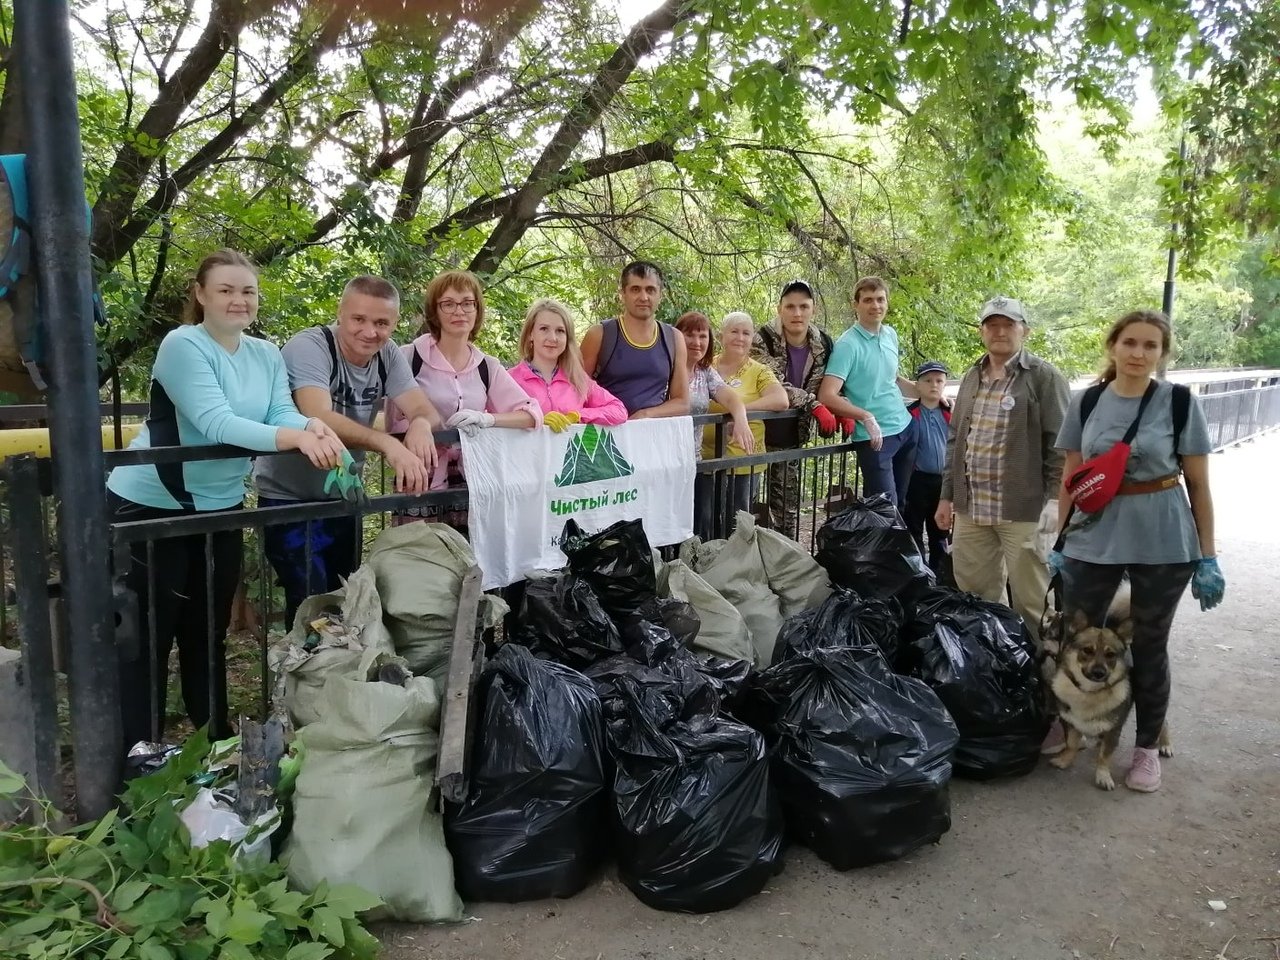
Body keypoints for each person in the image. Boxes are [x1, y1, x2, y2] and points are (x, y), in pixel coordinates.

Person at [107, 249, 345, 750]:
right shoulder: (183, 345)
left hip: (220, 507)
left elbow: (280, 408)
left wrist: (311, 424)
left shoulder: (263, 353)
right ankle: (135, 754)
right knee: (147, 641)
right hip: (152, 507)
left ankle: (210, 748)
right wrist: (298, 439)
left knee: (206, 634)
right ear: (200, 295)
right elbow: (215, 421)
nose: (239, 301)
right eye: (226, 290)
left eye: (248, 291)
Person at [1050, 309, 1222, 793]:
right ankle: (1070, 722)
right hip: (1092, 535)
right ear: (1113, 346)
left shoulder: (1181, 403)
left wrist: (1208, 555)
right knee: (1073, 634)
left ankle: (1146, 745)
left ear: (1162, 354)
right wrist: (1059, 540)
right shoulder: (1086, 403)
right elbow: (1073, 477)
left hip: (1164, 538)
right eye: (1130, 343)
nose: (1138, 353)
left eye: (1150, 345)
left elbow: (1199, 485)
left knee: (1147, 644)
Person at [254, 275, 444, 628]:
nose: (370, 332)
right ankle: (304, 678)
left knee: (344, 598)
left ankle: (337, 677)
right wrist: (388, 444)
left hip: (342, 493)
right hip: (289, 498)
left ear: (394, 323)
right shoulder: (310, 347)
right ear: (340, 314)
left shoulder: (386, 355)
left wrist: (419, 424)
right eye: (359, 319)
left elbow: (425, 409)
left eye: (381, 323)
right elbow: (317, 414)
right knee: (311, 605)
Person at [935, 296, 1069, 645]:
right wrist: (947, 497)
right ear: (982, 332)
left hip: (1023, 511)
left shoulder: (1043, 377)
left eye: (1008, 324)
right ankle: (999, 668)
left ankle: (1045, 675)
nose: (999, 332)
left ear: (1024, 330)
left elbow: (1062, 445)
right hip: (972, 509)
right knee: (978, 598)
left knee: (1034, 602)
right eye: (992, 325)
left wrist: (1055, 501)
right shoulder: (970, 377)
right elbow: (956, 442)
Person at [384, 270, 540, 530]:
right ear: (435, 311)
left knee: (469, 557)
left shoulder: (486, 366)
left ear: (478, 310)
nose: (460, 311)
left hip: (471, 475)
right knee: (418, 554)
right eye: (449, 304)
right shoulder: (410, 357)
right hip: (419, 471)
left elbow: (530, 413)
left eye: (468, 303)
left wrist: (487, 419)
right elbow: (393, 419)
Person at [818, 276, 920, 511]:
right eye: (868, 300)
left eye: (880, 299)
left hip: (906, 428)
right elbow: (827, 395)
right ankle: (884, 549)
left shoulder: (890, 335)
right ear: (856, 305)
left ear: (887, 302)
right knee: (884, 508)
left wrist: (929, 395)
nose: (875, 305)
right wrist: (865, 416)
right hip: (875, 440)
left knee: (904, 503)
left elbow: (892, 378)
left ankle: (903, 549)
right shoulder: (848, 345)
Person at [750, 279, 837, 539]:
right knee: (745, 505)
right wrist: (815, 405)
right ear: (780, 308)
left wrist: (841, 409)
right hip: (755, 434)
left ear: (813, 309)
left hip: (792, 437)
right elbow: (775, 383)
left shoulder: (824, 344)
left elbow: (832, 382)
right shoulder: (761, 338)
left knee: (787, 509)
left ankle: (785, 560)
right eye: (790, 306)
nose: (797, 313)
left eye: (803, 306)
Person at [702, 311, 788, 528]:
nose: (740, 338)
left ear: (752, 339)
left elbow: (780, 400)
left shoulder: (759, 371)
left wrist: (739, 411)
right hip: (705, 458)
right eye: (734, 331)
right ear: (721, 336)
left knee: (737, 520)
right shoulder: (706, 366)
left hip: (743, 460)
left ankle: (738, 560)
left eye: (746, 333)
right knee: (705, 518)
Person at [676, 310, 754, 540]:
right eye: (689, 335)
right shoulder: (665, 368)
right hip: (666, 462)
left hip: (695, 461)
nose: (696, 342)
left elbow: (729, 396)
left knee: (701, 522)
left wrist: (740, 419)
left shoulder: (705, 372)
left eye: (702, 336)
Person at [580, 260, 689, 418]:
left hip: (653, 436)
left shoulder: (673, 338)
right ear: (623, 294)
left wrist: (645, 415)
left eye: (650, 290)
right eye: (635, 289)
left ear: (660, 295)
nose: (643, 297)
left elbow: (682, 403)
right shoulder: (600, 335)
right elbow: (576, 392)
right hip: (608, 436)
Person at [508, 298, 628, 428]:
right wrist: (535, 419)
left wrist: (578, 416)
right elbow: (492, 420)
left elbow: (619, 410)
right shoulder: (510, 380)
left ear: (567, 338)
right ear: (530, 334)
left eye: (560, 331)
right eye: (544, 329)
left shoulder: (577, 379)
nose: (552, 338)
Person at [903, 360, 954, 585]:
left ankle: (941, 578)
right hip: (916, 480)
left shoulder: (951, 413)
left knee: (940, 531)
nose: (934, 385)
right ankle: (920, 578)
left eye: (939, 381)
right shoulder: (909, 413)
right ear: (918, 385)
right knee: (914, 528)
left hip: (944, 482)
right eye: (928, 380)